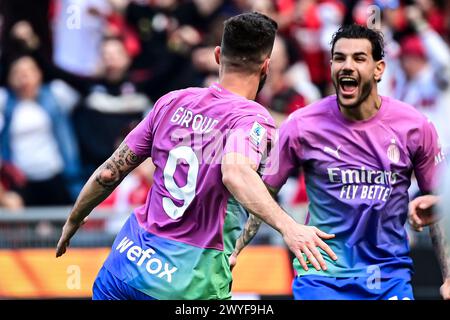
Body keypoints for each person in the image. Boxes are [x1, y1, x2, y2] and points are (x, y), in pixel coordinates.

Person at [55, 12, 337, 300]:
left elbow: (109, 173)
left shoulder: (171, 101)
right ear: (266, 65)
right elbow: (237, 173)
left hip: (124, 264)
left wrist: (74, 219)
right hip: (187, 283)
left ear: (217, 56)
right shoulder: (252, 121)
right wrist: (290, 228)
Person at [232, 23, 448, 300]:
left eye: (359, 58)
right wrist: (233, 250)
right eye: (339, 58)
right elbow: (261, 194)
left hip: (389, 278)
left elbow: (441, 207)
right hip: (322, 279)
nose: (347, 65)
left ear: (379, 69)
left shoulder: (415, 126)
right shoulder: (301, 125)